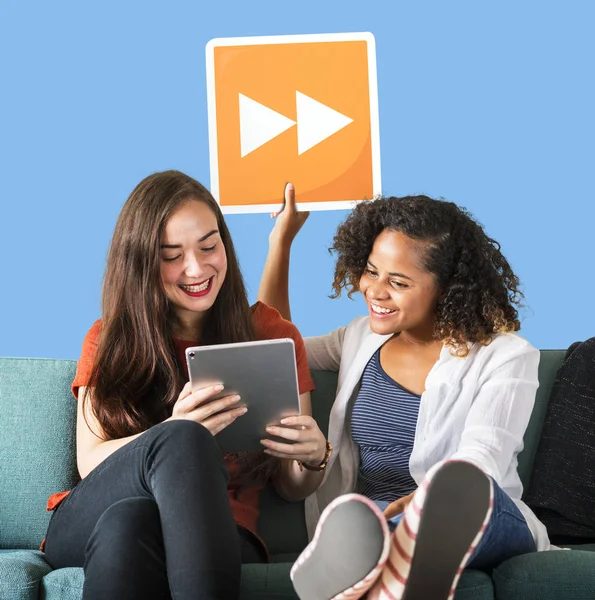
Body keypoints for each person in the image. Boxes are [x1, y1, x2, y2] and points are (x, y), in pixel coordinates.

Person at [43, 171, 330, 600]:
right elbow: (91, 462)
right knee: (179, 440)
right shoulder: (109, 338)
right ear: (141, 261)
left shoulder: (270, 334)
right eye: (171, 255)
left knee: (131, 523)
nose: (196, 268)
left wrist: (312, 459)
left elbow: (291, 487)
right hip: (88, 519)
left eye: (209, 246)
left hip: (220, 531)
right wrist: (175, 433)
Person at [258, 184, 551, 600]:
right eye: (372, 271)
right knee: (376, 526)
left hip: (480, 518)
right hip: (379, 518)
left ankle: (371, 556)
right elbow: (278, 347)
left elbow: (482, 457)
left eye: (398, 281)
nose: (375, 291)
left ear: (446, 287)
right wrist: (281, 243)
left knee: (461, 492)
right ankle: (388, 561)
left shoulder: (506, 356)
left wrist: (427, 503)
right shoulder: (358, 339)